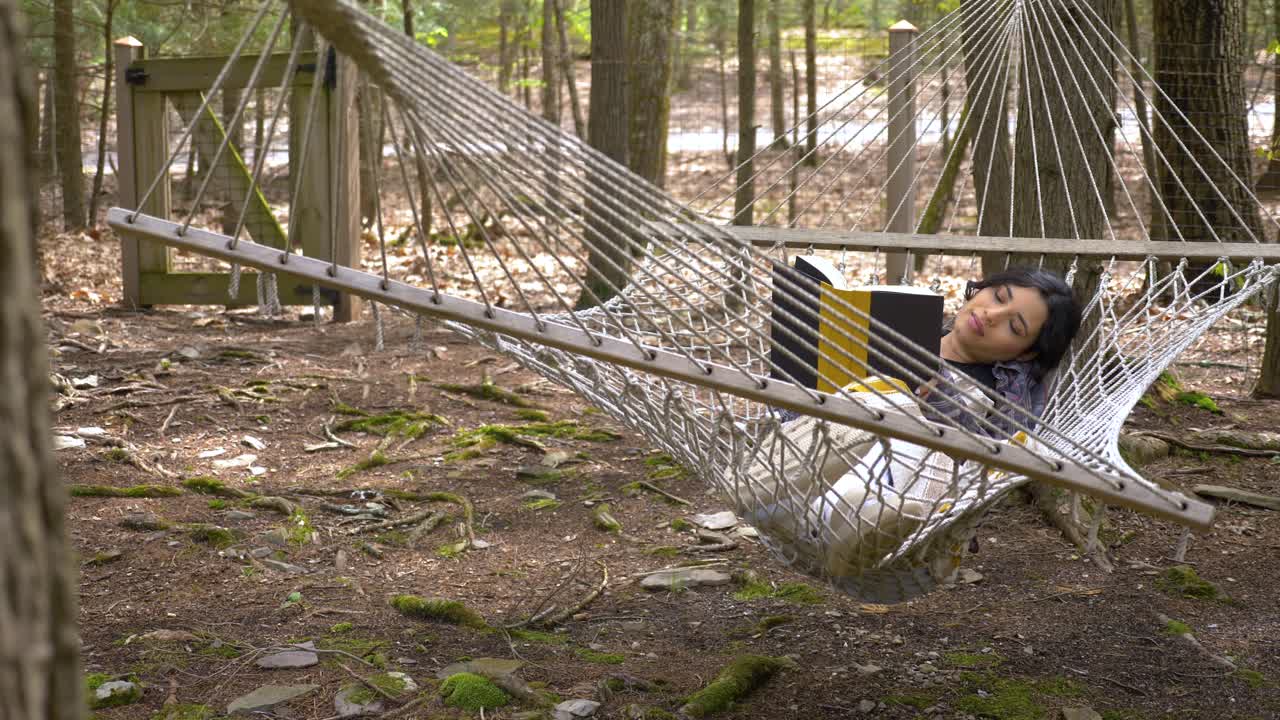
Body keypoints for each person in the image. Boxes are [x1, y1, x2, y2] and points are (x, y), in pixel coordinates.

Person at [746, 268, 1082, 584]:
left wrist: (938, 401)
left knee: (895, 406)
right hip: (803, 482)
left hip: (908, 505)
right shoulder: (899, 332)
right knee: (877, 396)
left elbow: (986, 471)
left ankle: (847, 519)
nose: (992, 315)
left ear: (1024, 354)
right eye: (999, 296)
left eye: (1014, 326)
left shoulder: (1006, 398)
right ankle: (807, 503)